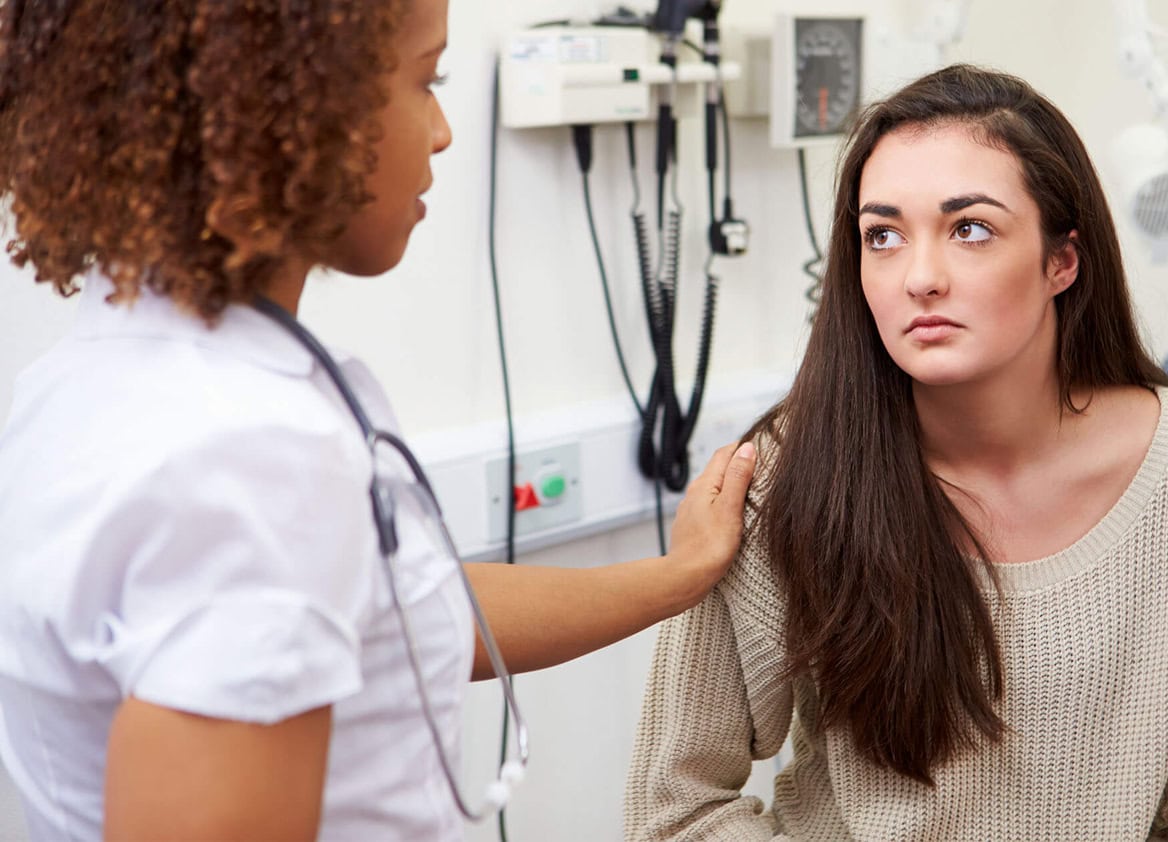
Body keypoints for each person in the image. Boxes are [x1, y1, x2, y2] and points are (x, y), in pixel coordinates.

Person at [0, 1, 755, 840]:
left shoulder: (92, 383)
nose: (443, 132)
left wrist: (678, 575)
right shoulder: (246, 456)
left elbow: (399, 611)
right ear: (289, 100)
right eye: (426, 79)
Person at [626, 63, 1168, 840]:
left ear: (1061, 261)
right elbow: (678, 811)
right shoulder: (785, 477)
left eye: (970, 228)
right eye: (883, 236)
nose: (920, 278)